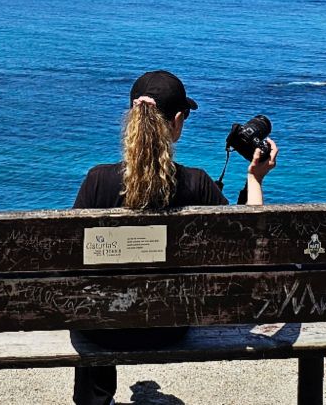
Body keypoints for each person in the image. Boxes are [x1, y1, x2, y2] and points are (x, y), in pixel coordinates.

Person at [69, 70, 278, 405]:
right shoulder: (196, 184)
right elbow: (248, 247)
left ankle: (96, 399)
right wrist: (255, 178)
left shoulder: (98, 181)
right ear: (178, 122)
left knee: (100, 299)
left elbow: (71, 260)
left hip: (100, 329)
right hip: (168, 325)